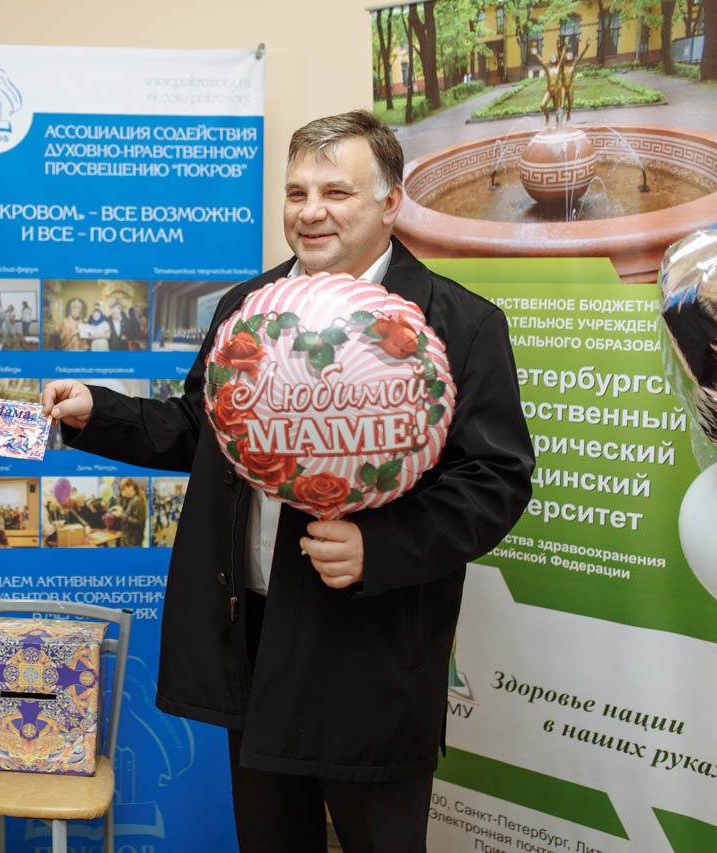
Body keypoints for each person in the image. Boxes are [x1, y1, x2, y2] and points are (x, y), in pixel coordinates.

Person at [42, 110, 534, 852]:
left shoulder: (457, 323)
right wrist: (98, 413)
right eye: (297, 192)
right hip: (254, 634)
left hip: (370, 648)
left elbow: (495, 479)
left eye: (336, 192)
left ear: (391, 203)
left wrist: (382, 546)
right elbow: (204, 428)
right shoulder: (249, 310)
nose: (310, 212)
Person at [111, 477, 148, 547]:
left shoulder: (137, 501)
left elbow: (139, 522)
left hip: (133, 541)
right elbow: (128, 516)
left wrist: (121, 515)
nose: (122, 492)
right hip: (127, 539)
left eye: (123, 490)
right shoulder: (130, 500)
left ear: (130, 487)